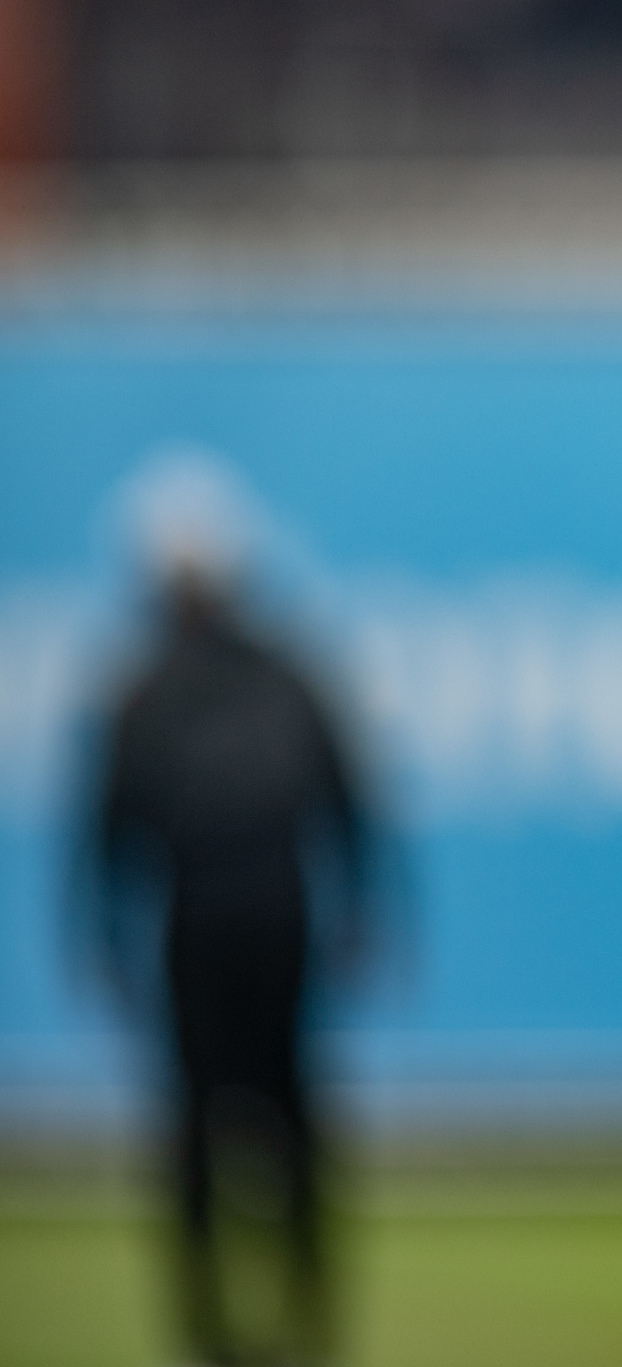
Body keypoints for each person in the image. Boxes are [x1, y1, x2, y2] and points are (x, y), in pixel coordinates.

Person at [83, 525, 370, 1367]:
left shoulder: (154, 686)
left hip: (220, 918)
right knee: (272, 1116)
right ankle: (278, 1314)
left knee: (221, 1119)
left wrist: (103, 934)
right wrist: (361, 909)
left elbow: (105, 831)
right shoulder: (273, 677)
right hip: (263, 914)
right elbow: (350, 802)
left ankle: (239, 1320)